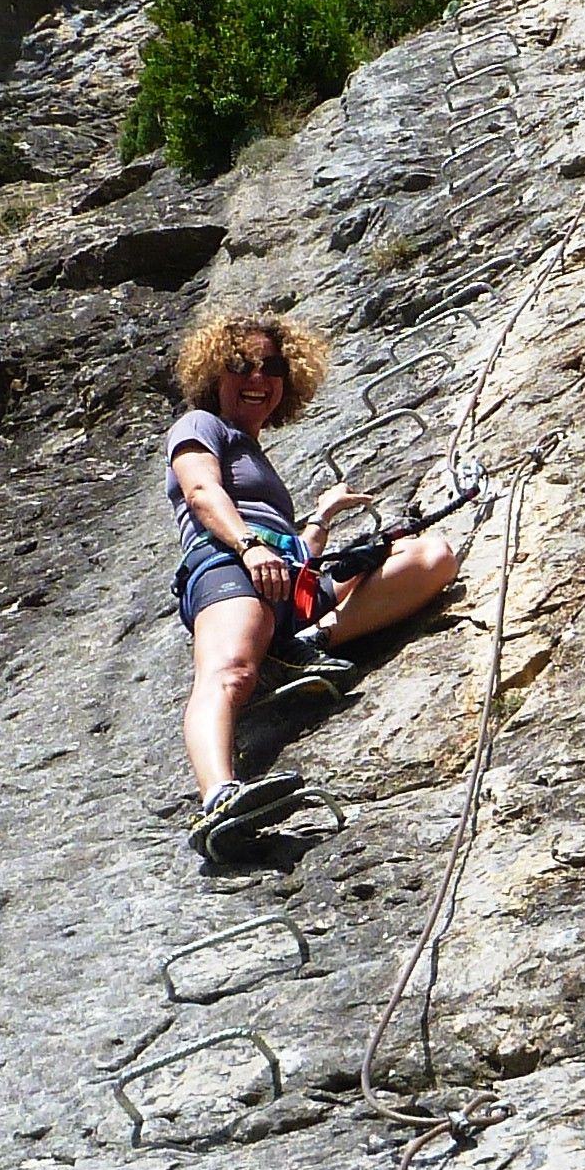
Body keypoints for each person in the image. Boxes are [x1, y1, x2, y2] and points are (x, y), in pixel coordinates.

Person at [166, 310, 458, 853]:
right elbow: (203, 493)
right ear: (214, 373)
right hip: (229, 565)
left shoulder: (254, 453)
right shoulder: (198, 426)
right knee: (229, 671)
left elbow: (293, 550)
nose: (258, 378)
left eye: (271, 366)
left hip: (288, 581)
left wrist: (322, 518)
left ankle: (306, 643)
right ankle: (217, 799)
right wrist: (248, 545)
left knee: (430, 556)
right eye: (241, 365)